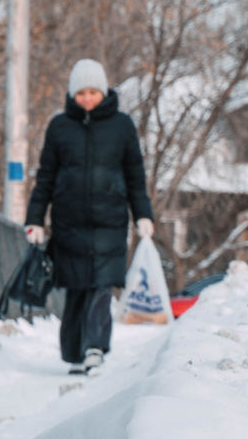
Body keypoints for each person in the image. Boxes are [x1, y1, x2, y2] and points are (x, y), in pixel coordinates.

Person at [24, 59, 155, 375]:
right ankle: (74, 353)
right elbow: (46, 177)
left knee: (100, 287)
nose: (86, 98)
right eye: (81, 92)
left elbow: (135, 176)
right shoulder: (59, 127)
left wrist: (143, 215)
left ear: (103, 90)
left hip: (110, 223)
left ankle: (95, 348)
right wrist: (35, 219)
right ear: (73, 93)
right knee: (77, 288)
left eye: (92, 91)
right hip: (69, 224)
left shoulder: (122, 126)